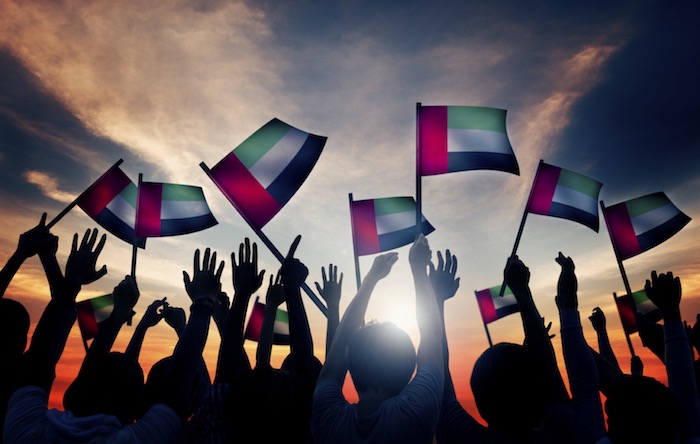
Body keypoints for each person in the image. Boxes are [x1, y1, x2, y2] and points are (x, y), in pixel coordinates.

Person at [312, 234, 444, 443]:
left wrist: (370, 280)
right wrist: (419, 270)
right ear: (410, 368)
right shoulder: (417, 413)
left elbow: (340, 344)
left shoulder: (328, 418)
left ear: (351, 365)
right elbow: (433, 336)